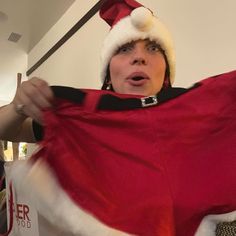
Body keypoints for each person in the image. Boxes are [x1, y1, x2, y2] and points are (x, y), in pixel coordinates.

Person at [0, 0, 235, 235]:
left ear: (166, 69)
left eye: (153, 48)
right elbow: (7, 130)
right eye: (124, 49)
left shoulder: (199, 119)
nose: (139, 58)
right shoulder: (86, 122)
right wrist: (18, 105)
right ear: (108, 71)